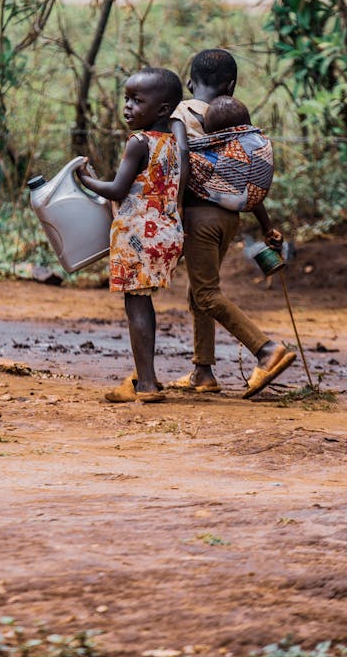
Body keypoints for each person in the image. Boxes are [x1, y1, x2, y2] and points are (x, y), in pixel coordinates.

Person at [170, 49, 295, 398]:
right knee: (199, 292)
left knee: (207, 293)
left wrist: (177, 207)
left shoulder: (183, 111)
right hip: (229, 220)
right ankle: (202, 372)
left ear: (189, 82)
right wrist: (266, 225)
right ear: (231, 85)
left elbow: (181, 157)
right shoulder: (236, 120)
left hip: (199, 216)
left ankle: (267, 351)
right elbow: (245, 178)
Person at [77, 67, 184, 403]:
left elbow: (117, 189)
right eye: (126, 99)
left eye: (137, 101)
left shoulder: (139, 142)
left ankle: (148, 384)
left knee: (135, 305)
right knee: (143, 303)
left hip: (138, 233)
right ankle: (146, 378)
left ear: (163, 109)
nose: (127, 107)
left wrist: (82, 176)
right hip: (166, 232)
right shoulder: (174, 143)